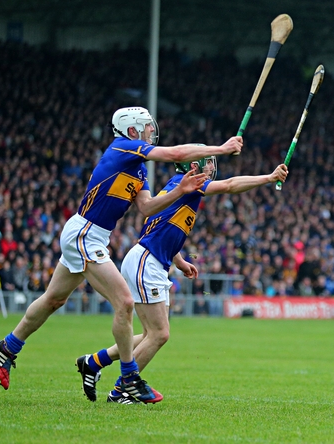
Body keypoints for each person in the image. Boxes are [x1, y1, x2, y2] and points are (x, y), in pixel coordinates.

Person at [0, 107, 242, 404]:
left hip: (91, 236)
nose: (151, 132)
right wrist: (222, 149)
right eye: (146, 127)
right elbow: (174, 155)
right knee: (124, 302)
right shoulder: (123, 147)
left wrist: (180, 190)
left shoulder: (138, 169)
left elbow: (147, 208)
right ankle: (130, 377)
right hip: (85, 232)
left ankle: (7, 346)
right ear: (132, 130)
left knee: (54, 299)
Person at [76, 147, 288, 403]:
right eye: (208, 163)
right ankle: (123, 389)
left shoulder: (179, 186)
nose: (212, 168)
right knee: (160, 334)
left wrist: (179, 260)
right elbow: (230, 185)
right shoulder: (187, 184)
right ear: (194, 167)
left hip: (150, 259)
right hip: (147, 261)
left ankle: (94, 362)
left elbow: (156, 226)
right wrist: (268, 177)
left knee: (148, 334)